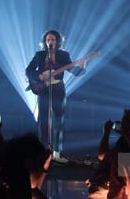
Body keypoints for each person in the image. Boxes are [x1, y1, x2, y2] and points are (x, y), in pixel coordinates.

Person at [25, 30, 86, 163]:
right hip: (44, 89)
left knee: (59, 121)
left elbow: (72, 70)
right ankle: (43, 152)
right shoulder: (39, 55)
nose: (50, 42)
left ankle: (57, 153)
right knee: (43, 121)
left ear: (57, 41)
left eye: (52, 40)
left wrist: (81, 67)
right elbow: (28, 70)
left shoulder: (63, 55)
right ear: (45, 42)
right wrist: (38, 76)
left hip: (58, 88)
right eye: (48, 40)